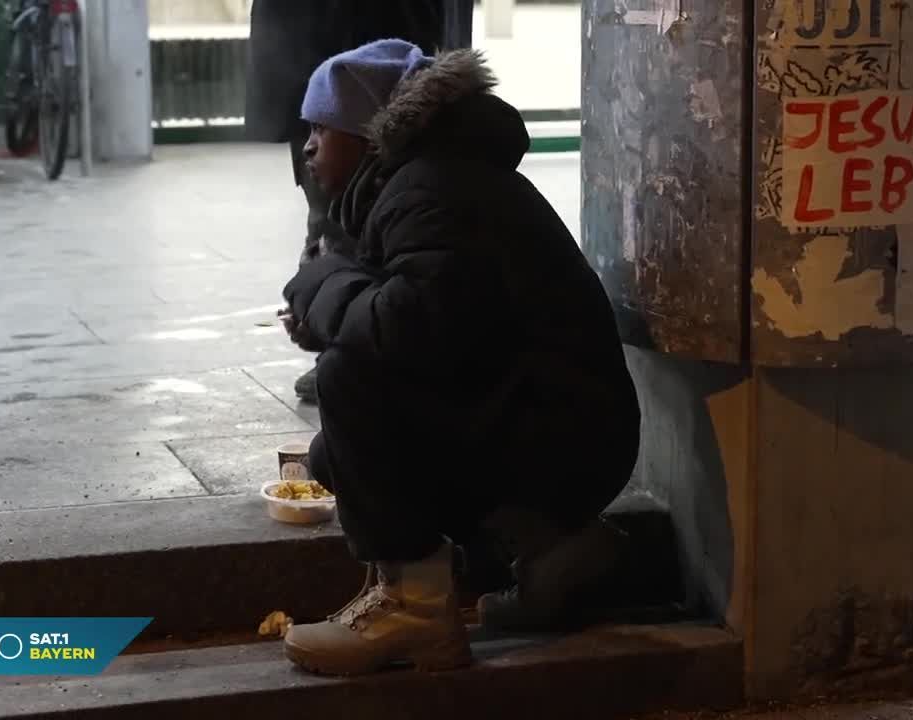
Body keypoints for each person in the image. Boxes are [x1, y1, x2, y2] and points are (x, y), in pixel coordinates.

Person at [277, 40, 642, 676]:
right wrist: (333, 307)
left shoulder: (431, 188)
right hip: (566, 425)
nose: (307, 146)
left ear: (367, 134)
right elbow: (440, 324)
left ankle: (415, 608)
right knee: (334, 452)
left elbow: (403, 333)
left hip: (567, 437)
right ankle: (556, 550)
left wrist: (323, 284)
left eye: (320, 127)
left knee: (350, 381)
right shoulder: (427, 180)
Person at [245, 0, 467, 404]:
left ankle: (342, 349)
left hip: (375, 64)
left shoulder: (423, 199)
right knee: (336, 218)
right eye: (310, 133)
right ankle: (338, 343)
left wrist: (319, 306)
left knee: (347, 224)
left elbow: (408, 317)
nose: (309, 149)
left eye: (319, 133)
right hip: (336, 59)